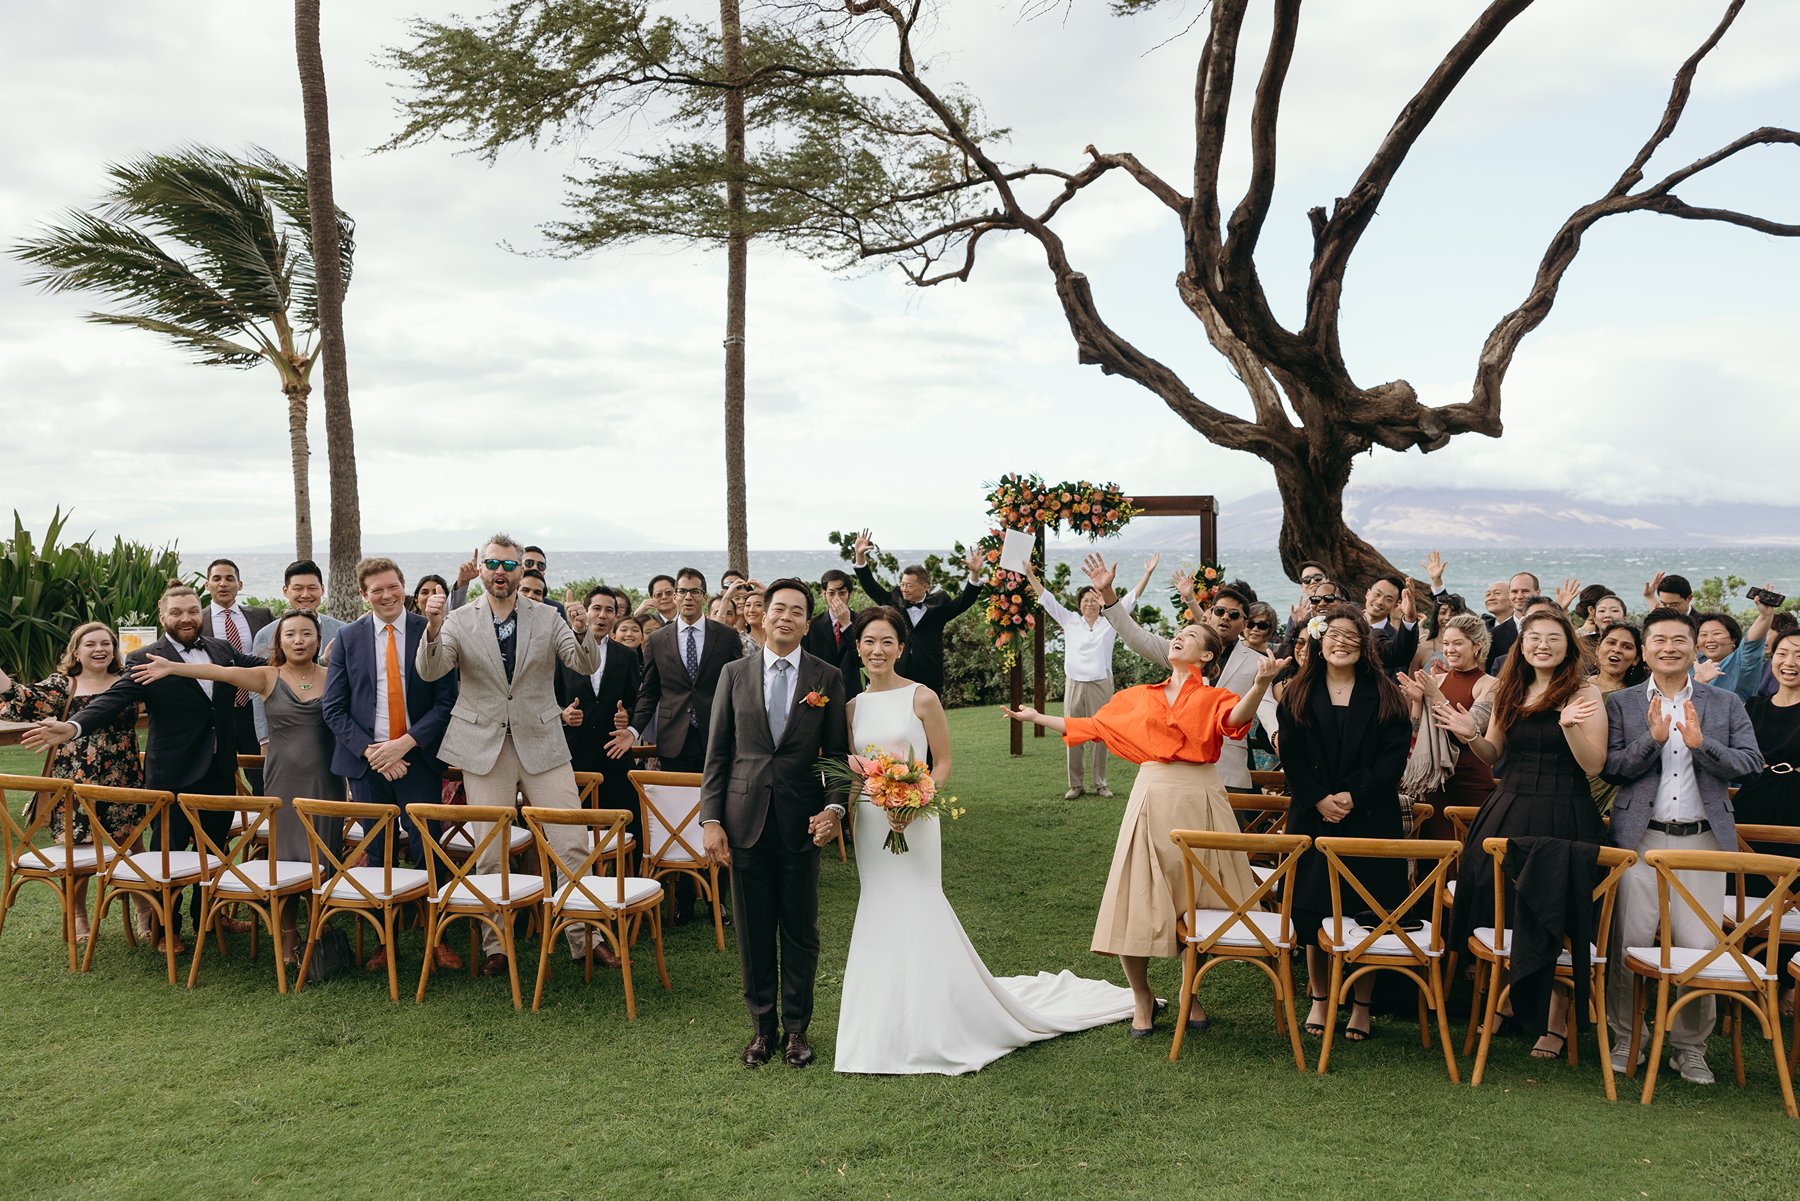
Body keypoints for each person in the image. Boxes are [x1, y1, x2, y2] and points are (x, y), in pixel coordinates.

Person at [838, 607, 1134, 1073]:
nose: (878, 650)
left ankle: (934, 1021)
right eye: (869, 641)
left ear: (901, 647)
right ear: (857, 647)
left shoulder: (922, 697)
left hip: (917, 817)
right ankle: (879, 1024)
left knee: (919, 905)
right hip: (871, 822)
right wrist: (852, 815)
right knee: (877, 908)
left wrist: (916, 800)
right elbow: (855, 769)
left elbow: (944, 762)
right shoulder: (851, 707)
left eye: (887, 642)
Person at [1006, 617, 1282, 1038]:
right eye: (1180, 632)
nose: (1180, 636)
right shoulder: (1138, 697)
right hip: (1152, 797)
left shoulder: (1216, 696)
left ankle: (1191, 991)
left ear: (1206, 656)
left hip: (1203, 800)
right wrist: (1036, 717)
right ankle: (1142, 997)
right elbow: (1092, 727)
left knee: (1204, 900)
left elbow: (1234, 721)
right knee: (1136, 899)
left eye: (1190, 636)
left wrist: (1260, 685)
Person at [25, 585, 263, 950]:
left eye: (192, 611)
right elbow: (111, 701)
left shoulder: (220, 649)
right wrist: (72, 727)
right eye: (178, 612)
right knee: (169, 854)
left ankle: (210, 918)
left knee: (215, 849)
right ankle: (166, 930)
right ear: (161, 614)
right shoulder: (143, 659)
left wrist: (314, 658)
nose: (186, 618)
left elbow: (259, 669)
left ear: (201, 613)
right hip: (173, 774)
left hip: (219, 768)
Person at [416, 534, 607, 979]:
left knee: (572, 842)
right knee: (490, 851)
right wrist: (432, 626)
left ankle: (586, 940)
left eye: (509, 565)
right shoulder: (459, 619)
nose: (501, 573)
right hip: (482, 746)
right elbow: (432, 670)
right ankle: (496, 946)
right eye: (493, 565)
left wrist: (582, 629)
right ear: (481, 569)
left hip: (542, 741)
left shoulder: (550, 615)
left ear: (523, 570)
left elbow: (583, 665)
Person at [1434, 608, 1606, 1058]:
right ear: (1521, 646)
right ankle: (1507, 1001)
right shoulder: (1511, 688)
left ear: (1569, 645)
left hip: (1564, 810)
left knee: (1558, 906)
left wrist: (1569, 727)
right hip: (1508, 806)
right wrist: (1469, 734)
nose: (1542, 645)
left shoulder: (1585, 692)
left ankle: (1554, 1022)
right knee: (1503, 903)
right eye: (1534, 638)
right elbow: (1493, 755)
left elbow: (1594, 764)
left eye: (1553, 637)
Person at [128, 610, 348, 962]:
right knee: (288, 861)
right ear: (279, 641)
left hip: (327, 782)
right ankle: (288, 938)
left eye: (306, 634)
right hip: (283, 784)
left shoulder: (335, 676)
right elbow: (220, 671)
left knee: (323, 859)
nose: (298, 640)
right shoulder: (267, 676)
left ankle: (318, 938)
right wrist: (173, 668)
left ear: (318, 639)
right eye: (290, 634)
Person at [1602, 608, 1763, 1085]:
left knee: (1701, 948)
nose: (1669, 647)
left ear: (1695, 647)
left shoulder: (1726, 702)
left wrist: (1701, 743)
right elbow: (1611, 768)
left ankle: (1690, 1049)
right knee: (1627, 945)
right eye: (1659, 640)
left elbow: (1751, 763)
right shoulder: (1623, 704)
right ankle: (1627, 1037)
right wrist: (1651, 741)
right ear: (1645, 649)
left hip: (1704, 842)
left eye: (1679, 639)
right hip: (1639, 838)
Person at [699, 579, 850, 1068]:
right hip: (743, 822)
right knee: (753, 928)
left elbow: (838, 758)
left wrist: (834, 809)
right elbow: (718, 753)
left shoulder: (826, 677)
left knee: (801, 931)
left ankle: (797, 1030)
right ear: (760, 617)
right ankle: (762, 1029)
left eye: (796, 611)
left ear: (808, 622)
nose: (785, 617)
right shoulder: (733, 674)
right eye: (777, 608)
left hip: (801, 822)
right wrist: (711, 818)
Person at [1278, 605, 1412, 1044]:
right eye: (1333, 635)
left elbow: (1392, 758)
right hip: (1312, 817)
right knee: (1313, 910)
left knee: (1369, 910)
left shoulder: (1387, 694)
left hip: (1370, 817)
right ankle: (1320, 997)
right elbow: (1292, 756)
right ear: (1319, 640)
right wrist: (1318, 798)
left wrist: (1353, 795)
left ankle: (1362, 1004)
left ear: (1365, 646)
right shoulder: (1297, 692)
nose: (1341, 643)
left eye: (1352, 637)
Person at [320, 558, 460, 970]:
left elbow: (447, 701)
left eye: (391, 586)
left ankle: (438, 938)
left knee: (427, 849)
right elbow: (334, 708)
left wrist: (404, 745)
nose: (385, 595)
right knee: (378, 852)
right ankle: (386, 941)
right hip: (367, 763)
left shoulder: (430, 631)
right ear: (364, 595)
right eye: (376, 590)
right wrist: (374, 752)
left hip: (417, 758)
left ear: (404, 587)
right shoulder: (348, 638)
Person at [0, 623, 148, 945]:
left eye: (106, 644)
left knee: (133, 845)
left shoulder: (128, 682)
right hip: (74, 781)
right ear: (76, 651)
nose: (100, 649)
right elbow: (22, 697)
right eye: (91, 644)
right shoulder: (64, 685)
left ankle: (144, 910)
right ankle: (79, 915)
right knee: (79, 850)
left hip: (122, 778)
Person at [1089, 558, 1276, 792]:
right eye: (1220, 611)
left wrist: (1276, 733)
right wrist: (1107, 593)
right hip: (1176, 767)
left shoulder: (1254, 662)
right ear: (1210, 614)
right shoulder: (1183, 650)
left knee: (1228, 828)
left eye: (1234, 615)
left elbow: (1265, 701)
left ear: (1244, 623)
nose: (1226, 617)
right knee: (1175, 829)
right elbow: (1137, 637)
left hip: (1228, 771)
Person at [1021, 554, 1156, 800]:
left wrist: (1147, 573)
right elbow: (1047, 600)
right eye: (1085, 600)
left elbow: (1130, 599)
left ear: (1101, 603)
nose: (1090, 604)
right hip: (1075, 684)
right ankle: (1076, 784)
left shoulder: (1110, 622)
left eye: (1094, 600)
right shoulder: (1070, 620)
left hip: (1101, 684)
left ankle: (1100, 783)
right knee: (1073, 732)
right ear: (1079, 604)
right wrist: (1030, 574)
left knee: (1101, 734)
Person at [619, 567, 744, 774]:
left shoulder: (726, 636)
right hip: (673, 739)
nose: (688, 597)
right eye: (682, 591)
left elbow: (739, 688)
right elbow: (649, 692)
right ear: (675, 596)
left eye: (694, 592)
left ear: (704, 597)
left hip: (717, 735)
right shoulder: (657, 640)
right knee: (677, 803)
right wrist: (633, 730)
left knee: (714, 803)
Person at [1735, 628, 1800, 1015]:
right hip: (1753, 803)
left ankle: (1789, 983)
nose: (1790, 663)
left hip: (1796, 806)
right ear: (1772, 657)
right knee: (1748, 893)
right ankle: (1743, 982)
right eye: (1784, 653)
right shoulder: (1753, 707)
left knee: (1792, 895)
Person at [1396, 613, 1495, 844]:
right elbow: (1415, 732)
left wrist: (1433, 694)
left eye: (1458, 643)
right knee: (1433, 853)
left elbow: (1466, 733)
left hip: (1470, 781)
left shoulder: (1490, 684)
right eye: (1446, 644)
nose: (1450, 649)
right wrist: (1417, 701)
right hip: (1434, 780)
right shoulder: (1436, 680)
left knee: (1471, 850)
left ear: (1477, 645)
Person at [850, 529, 984, 696]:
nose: (904, 589)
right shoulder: (894, 602)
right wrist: (860, 557)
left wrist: (975, 574)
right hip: (896, 673)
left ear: (925, 587)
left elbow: (964, 601)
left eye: (909, 585)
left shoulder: (939, 606)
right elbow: (871, 586)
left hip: (929, 674)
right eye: (902, 584)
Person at [555, 585, 643, 830]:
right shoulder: (561, 651)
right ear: (585, 611)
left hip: (614, 754)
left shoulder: (626, 656)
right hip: (573, 755)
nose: (603, 615)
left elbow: (637, 701)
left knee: (628, 825)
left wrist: (628, 716)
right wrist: (563, 714)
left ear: (616, 616)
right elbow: (546, 698)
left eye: (610, 610)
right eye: (597, 608)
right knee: (573, 829)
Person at [251, 559, 345, 747]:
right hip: (286, 732)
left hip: (336, 730)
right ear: (286, 591)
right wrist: (265, 738)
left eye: (312, 588)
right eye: (297, 588)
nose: (305, 595)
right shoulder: (266, 635)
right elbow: (258, 691)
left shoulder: (342, 631)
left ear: (322, 589)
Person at [202, 558, 274, 788]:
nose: (223, 584)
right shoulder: (197, 621)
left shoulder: (261, 616)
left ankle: (264, 822)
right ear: (207, 585)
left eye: (229, 578)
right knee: (218, 776)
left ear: (240, 584)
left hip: (254, 709)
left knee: (262, 775)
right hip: (216, 711)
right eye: (217, 579)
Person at [1589, 622, 1647, 816]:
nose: (1617, 650)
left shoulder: (1641, 697)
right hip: (1577, 775)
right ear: (1598, 649)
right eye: (1611, 642)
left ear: (1637, 659)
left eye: (1627, 647)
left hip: (1621, 780)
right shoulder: (1574, 688)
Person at [1695, 593, 1776, 701]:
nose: (1709, 639)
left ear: (1733, 639)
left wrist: (1765, 616)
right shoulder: (1696, 661)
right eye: (1703, 635)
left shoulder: (1741, 662)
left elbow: (1751, 644)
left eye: (1717, 633)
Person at [803, 569, 861, 698]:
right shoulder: (813, 625)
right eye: (831, 593)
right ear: (824, 594)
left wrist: (847, 625)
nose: (837, 599)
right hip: (820, 692)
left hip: (852, 692)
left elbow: (861, 659)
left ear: (849, 594)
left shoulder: (861, 621)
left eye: (842, 593)